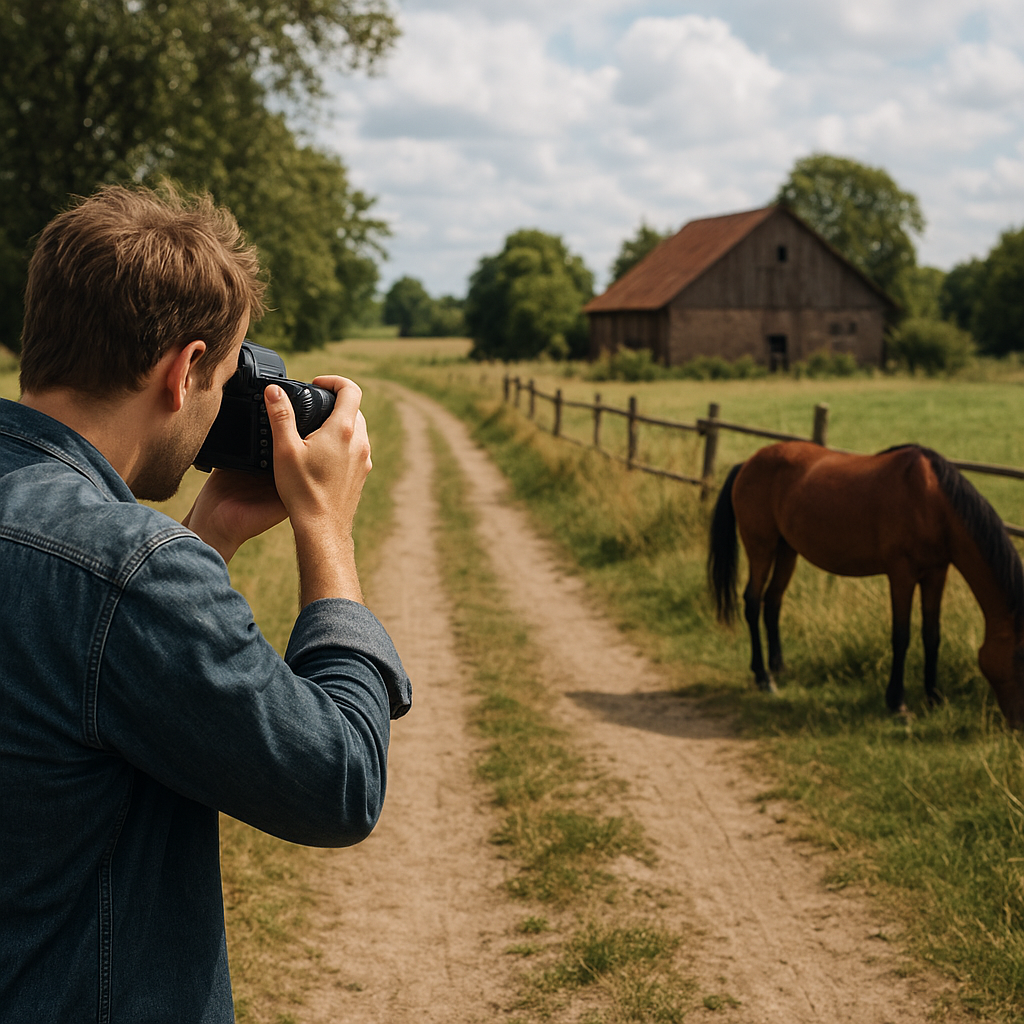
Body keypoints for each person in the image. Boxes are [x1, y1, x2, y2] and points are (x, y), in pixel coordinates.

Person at [0, 184, 411, 1022]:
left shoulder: (115, 571)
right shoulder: (128, 571)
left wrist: (208, 533)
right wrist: (325, 530)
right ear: (183, 371)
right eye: (226, 378)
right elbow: (338, 781)